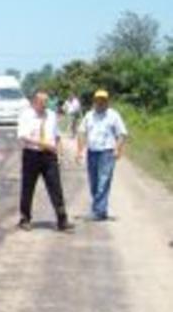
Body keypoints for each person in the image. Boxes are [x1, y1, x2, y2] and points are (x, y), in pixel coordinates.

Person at [17, 91, 73, 231]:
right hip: (32, 154)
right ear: (34, 102)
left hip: (49, 156)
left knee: (56, 187)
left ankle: (62, 219)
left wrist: (59, 153)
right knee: (28, 187)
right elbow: (23, 136)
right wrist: (44, 144)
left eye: (46, 102)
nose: (44, 105)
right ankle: (25, 218)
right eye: (41, 102)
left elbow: (56, 135)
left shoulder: (51, 115)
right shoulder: (26, 115)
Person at [76, 89, 128, 221]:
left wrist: (118, 149)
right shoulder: (89, 115)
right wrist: (80, 151)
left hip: (107, 152)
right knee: (94, 183)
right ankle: (101, 210)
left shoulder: (113, 115)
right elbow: (82, 132)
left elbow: (122, 134)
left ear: (107, 101)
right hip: (92, 152)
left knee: (103, 182)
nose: (101, 102)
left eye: (103, 100)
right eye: (98, 100)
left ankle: (97, 212)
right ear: (94, 101)